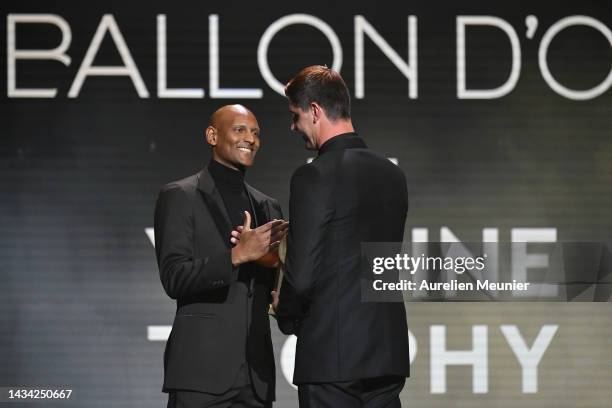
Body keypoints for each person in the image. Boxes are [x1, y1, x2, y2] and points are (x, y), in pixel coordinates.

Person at [275, 66, 410, 408]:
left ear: (316, 111)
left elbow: (302, 274)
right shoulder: (393, 175)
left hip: (332, 359)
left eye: (296, 116)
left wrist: (286, 312)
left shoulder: (313, 176)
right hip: (386, 354)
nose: (293, 126)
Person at [154, 104, 288, 408]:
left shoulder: (269, 207)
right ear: (212, 135)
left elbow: (270, 290)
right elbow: (174, 278)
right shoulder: (179, 196)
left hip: (256, 378)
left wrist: (273, 269)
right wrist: (236, 256)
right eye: (240, 129)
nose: (250, 139)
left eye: (256, 133)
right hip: (200, 373)